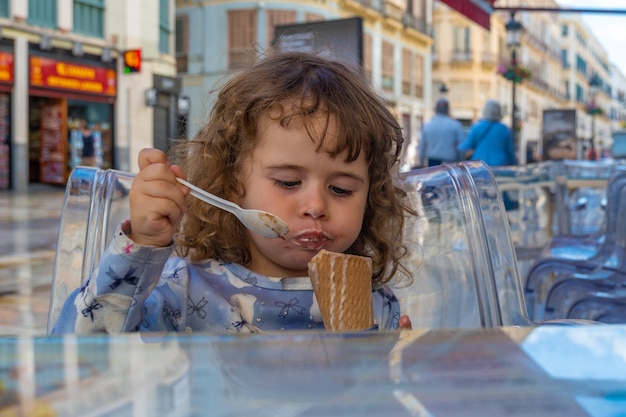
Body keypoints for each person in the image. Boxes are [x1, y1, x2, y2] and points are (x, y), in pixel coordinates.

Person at [51, 52, 415, 335]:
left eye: (342, 189)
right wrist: (143, 245)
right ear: (230, 184)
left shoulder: (375, 305)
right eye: (288, 182)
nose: (316, 206)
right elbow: (80, 354)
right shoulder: (185, 289)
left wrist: (393, 373)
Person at [458, 100, 516, 167]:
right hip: (499, 164)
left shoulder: (477, 127)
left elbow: (466, 146)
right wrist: (512, 164)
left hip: (479, 164)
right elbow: (510, 151)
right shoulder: (504, 129)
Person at [417, 98, 465, 167]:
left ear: (436, 109)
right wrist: (461, 161)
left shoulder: (428, 125)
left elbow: (422, 146)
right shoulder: (455, 125)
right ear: (448, 110)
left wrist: (421, 163)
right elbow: (461, 146)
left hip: (432, 161)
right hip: (450, 161)